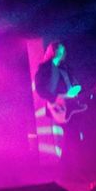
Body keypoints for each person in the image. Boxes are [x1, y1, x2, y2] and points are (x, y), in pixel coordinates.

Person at [34, 41, 86, 180]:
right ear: (52, 51)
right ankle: (72, 172)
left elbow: (73, 86)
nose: (61, 53)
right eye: (58, 51)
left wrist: (80, 91)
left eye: (62, 51)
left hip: (71, 106)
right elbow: (40, 89)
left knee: (72, 138)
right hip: (58, 107)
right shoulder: (44, 68)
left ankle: (67, 172)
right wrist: (55, 98)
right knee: (72, 137)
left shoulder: (66, 68)